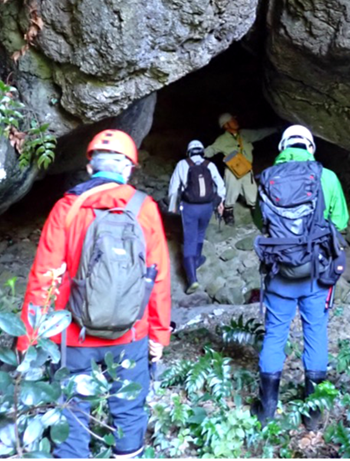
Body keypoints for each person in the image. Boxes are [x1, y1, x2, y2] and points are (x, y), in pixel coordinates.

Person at [17, 129, 171, 459]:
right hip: (131, 333)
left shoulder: (67, 208)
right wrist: (159, 335)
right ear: (128, 169)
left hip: (73, 337)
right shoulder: (145, 209)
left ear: (90, 168)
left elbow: (44, 277)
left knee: (71, 415)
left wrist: (28, 339)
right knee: (129, 412)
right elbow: (157, 278)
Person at [251, 125, 349, 430]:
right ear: (310, 147)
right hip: (316, 273)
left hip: (279, 271)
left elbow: (259, 220)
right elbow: (341, 221)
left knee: (275, 334)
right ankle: (313, 414)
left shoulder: (267, 177)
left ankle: (267, 410)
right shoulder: (327, 177)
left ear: (283, 147)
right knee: (315, 332)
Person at [167, 139, 226, 294]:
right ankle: (197, 259)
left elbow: (173, 188)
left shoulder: (182, 164)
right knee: (200, 233)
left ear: (189, 152)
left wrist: (173, 207)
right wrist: (220, 202)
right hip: (207, 207)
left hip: (189, 207)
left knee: (189, 239)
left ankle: (192, 279)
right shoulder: (209, 165)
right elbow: (220, 185)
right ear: (201, 151)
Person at [204, 112, 277, 226]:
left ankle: (257, 215)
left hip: (247, 170)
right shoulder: (222, 140)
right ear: (226, 125)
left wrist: (276, 129)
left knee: (253, 195)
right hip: (232, 171)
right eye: (232, 120)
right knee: (231, 192)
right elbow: (211, 150)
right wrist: (197, 153)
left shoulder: (244, 134)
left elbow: (259, 133)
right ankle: (228, 212)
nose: (235, 121)